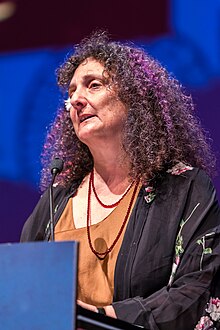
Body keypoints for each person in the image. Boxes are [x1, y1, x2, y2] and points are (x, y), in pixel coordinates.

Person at [20, 31, 220, 329]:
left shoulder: (184, 188)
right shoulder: (57, 199)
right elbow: (21, 295)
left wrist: (96, 318)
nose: (76, 99)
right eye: (71, 92)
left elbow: (196, 291)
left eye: (93, 85)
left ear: (135, 97)